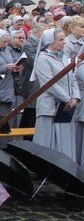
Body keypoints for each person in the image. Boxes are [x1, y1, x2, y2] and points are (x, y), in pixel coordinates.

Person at [32, 29, 79, 161]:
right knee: (48, 140)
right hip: (50, 106)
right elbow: (49, 83)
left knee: (65, 139)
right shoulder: (42, 59)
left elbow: (72, 78)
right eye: (60, 40)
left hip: (66, 106)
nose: (64, 42)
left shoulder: (63, 57)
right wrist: (67, 98)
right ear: (50, 42)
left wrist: (75, 97)